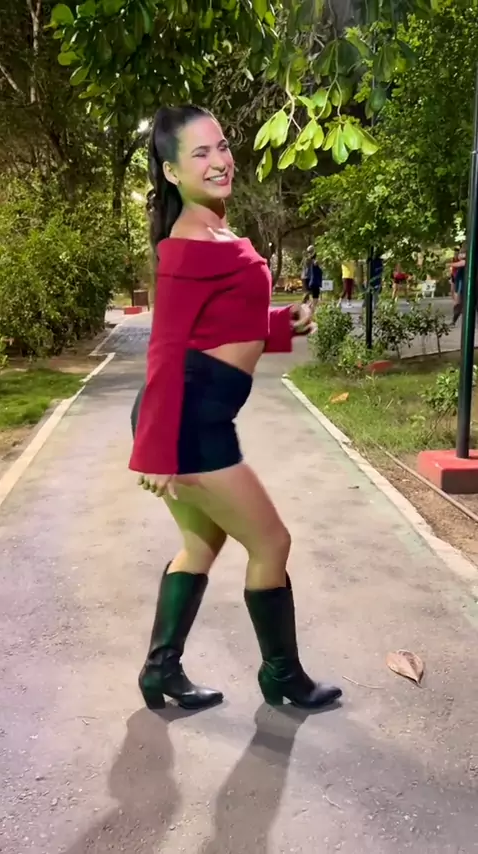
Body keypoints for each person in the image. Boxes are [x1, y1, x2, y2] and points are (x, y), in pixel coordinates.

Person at [129, 105, 342, 713]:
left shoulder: (216, 233)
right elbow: (167, 348)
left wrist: (279, 325)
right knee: (271, 542)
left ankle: (160, 672)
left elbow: (219, 327)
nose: (220, 161)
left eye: (221, 146)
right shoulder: (186, 245)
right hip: (189, 422)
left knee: (201, 546)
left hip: (193, 413)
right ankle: (283, 677)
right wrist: (155, 453)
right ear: (172, 172)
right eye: (200, 153)